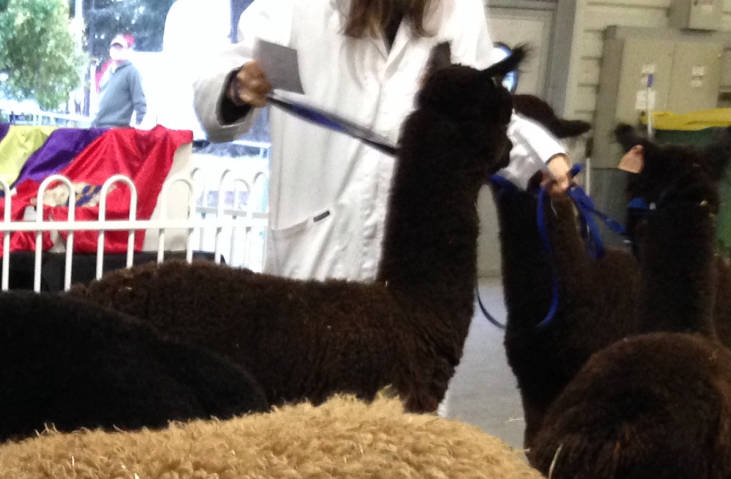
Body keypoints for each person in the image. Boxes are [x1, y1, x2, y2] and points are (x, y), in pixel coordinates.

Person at [192, 0, 571, 278]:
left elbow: (485, 109)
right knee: (309, 377)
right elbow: (231, 69)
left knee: (404, 376)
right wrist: (236, 85)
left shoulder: (459, 10)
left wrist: (542, 158)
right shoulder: (296, 7)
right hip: (316, 250)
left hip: (415, 254)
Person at [92, 33, 149, 129]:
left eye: (120, 48)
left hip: (117, 130)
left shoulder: (132, 72)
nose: (117, 50)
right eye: (114, 47)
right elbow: (100, 100)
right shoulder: (107, 72)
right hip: (98, 127)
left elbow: (140, 103)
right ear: (110, 51)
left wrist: (140, 127)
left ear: (126, 51)